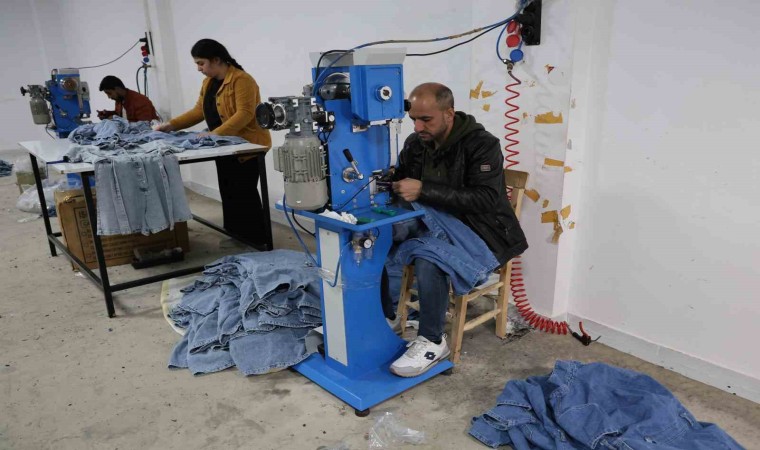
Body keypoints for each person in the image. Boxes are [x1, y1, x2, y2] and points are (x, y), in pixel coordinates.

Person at [386, 82, 528, 377]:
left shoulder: (482, 144)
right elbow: (400, 179)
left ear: (449, 113)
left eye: (426, 119)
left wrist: (423, 190)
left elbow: (486, 199)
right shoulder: (415, 143)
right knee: (379, 234)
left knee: (430, 259)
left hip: (481, 232)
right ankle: (388, 314)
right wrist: (388, 181)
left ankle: (432, 341)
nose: (418, 127)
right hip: (433, 221)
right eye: (414, 119)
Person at [153, 39, 272, 248]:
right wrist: (171, 125)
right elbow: (199, 111)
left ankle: (257, 240)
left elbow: (244, 114)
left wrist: (213, 135)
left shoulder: (242, 80)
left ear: (216, 60)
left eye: (201, 63)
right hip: (223, 145)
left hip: (247, 147)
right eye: (197, 64)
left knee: (244, 193)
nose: (199, 68)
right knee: (228, 190)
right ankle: (237, 235)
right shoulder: (208, 82)